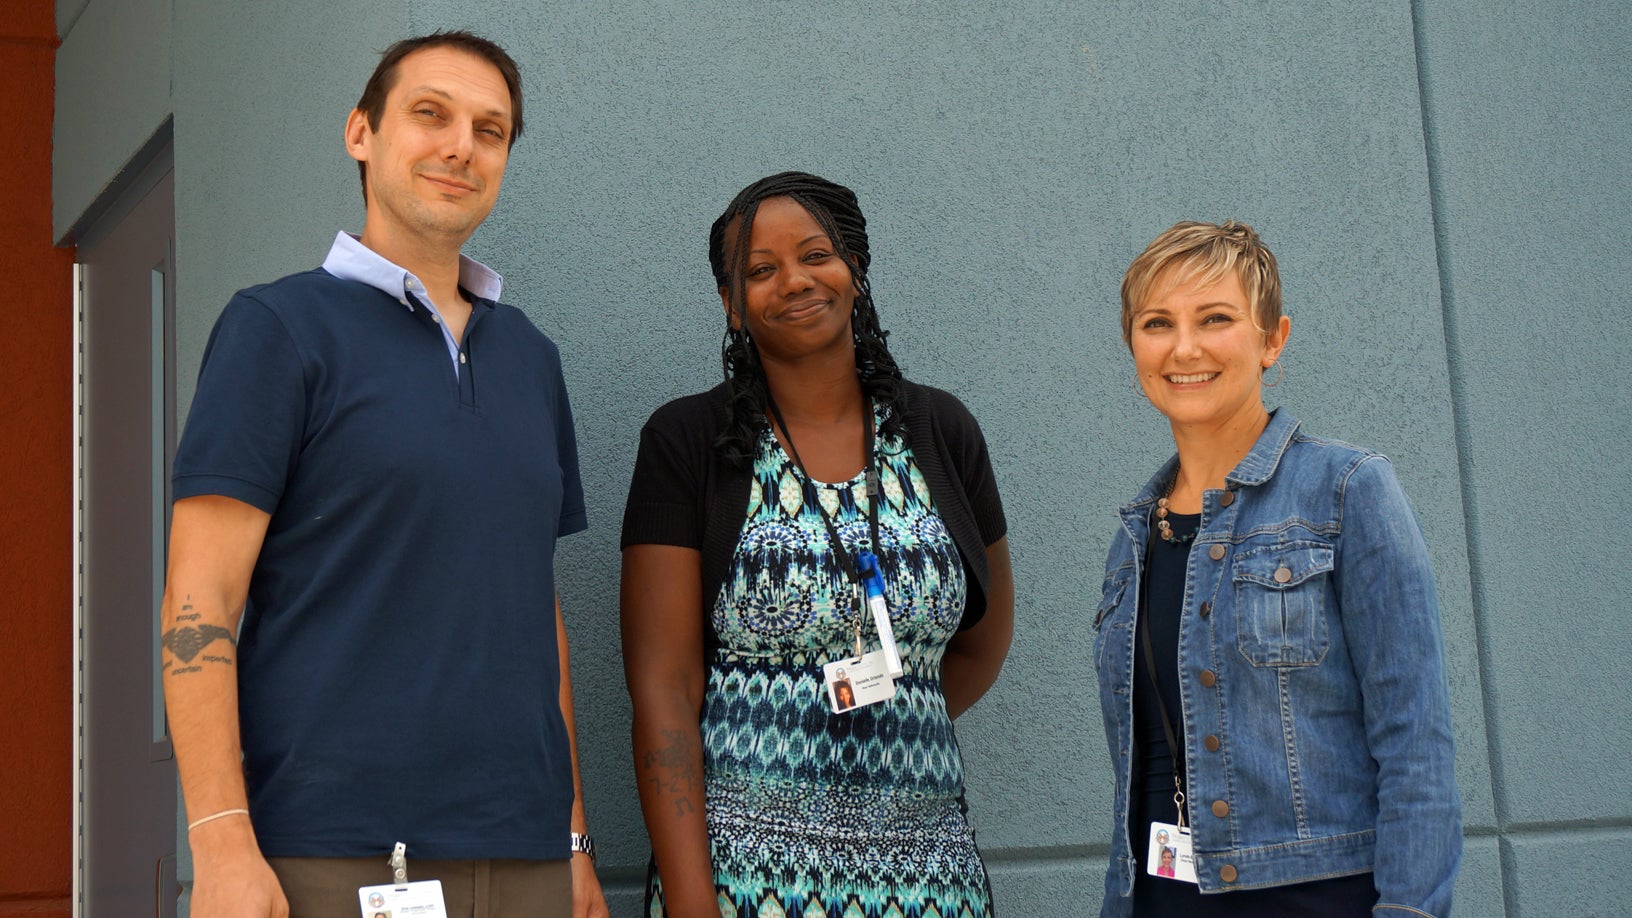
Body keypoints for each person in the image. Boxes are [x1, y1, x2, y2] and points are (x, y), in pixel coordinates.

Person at [158, 31, 608, 918]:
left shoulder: (529, 357)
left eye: (491, 130)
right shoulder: (276, 330)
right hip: (337, 851)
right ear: (361, 132)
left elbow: (532, 606)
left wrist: (573, 840)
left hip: (526, 855)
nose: (460, 147)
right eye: (430, 115)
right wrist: (220, 845)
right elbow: (199, 598)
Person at [620, 171, 1014, 917]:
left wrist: (870, 734)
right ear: (732, 306)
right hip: (747, 879)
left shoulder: (941, 432)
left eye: (815, 256)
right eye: (760, 271)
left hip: (929, 878)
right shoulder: (688, 443)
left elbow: (982, 643)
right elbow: (663, 692)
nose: (793, 281)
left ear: (855, 271)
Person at [1092, 220, 1461, 917]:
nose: (1185, 347)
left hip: (1320, 899)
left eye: (1216, 319)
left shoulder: (1348, 490)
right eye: (1157, 323)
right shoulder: (1135, 539)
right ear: (1133, 345)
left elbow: (1417, 743)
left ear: (1272, 339)